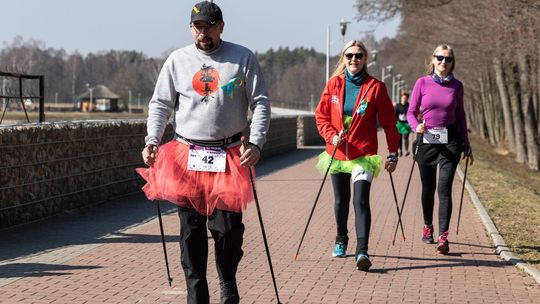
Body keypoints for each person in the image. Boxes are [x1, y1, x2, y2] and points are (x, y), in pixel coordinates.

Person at [136, 2, 270, 303]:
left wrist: (257, 143)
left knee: (228, 233)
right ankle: (197, 297)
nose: (203, 32)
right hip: (186, 154)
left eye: (209, 26)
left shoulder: (242, 57)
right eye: (198, 27)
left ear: (221, 26)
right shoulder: (177, 60)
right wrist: (152, 140)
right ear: (190, 28)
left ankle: (227, 282)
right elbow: (160, 104)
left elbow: (260, 102)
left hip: (230, 153)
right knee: (191, 233)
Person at [315, 40, 399, 271]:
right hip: (338, 151)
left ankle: (362, 251)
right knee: (341, 200)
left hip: (364, 153)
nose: (354, 60)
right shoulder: (333, 84)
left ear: (365, 59)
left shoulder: (376, 87)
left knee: (360, 200)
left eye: (359, 55)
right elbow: (321, 116)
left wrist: (393, 153)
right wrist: (331, 136)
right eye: (349, 55)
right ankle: (341, 238)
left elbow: (390, 124)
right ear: (343, 58)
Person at [407, 44, 473, 255]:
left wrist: (466, 143)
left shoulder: (457, 86)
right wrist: (415, 126)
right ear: (433, 60)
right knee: (428, 188)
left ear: (453, 62)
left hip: (450, 141)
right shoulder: (422, 82)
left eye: (448, 59)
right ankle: (428, 225)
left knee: (444, 188)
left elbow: (461, 115)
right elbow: (411, 111)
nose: (444, 62)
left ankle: (443, 236)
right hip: (426, 139)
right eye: (440, 58)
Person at [395, 92, 412, 156]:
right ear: (401, 98)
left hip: (406, 124)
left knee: (406, 136)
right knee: (399, 138)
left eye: (405, 98)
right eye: (403, 98)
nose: (404, 99)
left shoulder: (409, 105)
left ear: (407, 99)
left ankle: (406, 150)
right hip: (399, 123)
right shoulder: (398, 105)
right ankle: (400, 150)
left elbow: (411, 114)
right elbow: (395, 114)